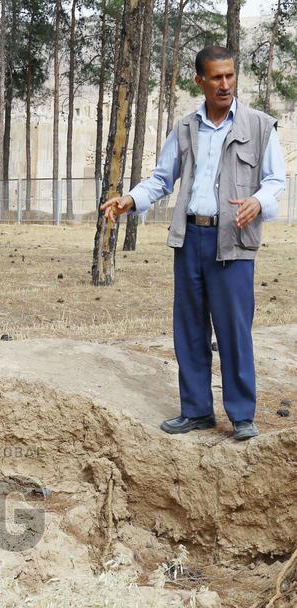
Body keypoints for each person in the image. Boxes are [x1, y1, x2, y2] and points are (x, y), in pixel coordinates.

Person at [102, 45, 286, 441]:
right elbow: (161, 178)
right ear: (199, 81)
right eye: (216, 77)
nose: (225, 84)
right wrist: (130, 199)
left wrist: (258, 202)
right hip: (190, 239)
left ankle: (241, 416)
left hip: (233, 241)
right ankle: (197, 411)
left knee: (234, 330)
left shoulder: (259, 126)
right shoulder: (186, 128)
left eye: (230, 76)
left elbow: (275, 181)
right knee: (189, 328)